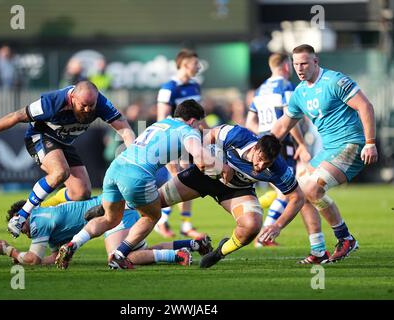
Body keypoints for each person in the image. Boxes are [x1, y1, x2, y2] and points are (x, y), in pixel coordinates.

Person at [55, 99, 232, 269]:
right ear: (193, 120)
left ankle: (73, 244)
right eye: (199, 124)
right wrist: (221, 166)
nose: (200, 128)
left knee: (109, 218)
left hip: (116, 168)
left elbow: (166, 152)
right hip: (137, 175)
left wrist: (175, 173)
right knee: (151, 216)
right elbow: (200, 156)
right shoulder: (188, 130)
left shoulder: (160, 124)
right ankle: (119, 256)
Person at [0, 81, 135, 238]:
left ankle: (41, 210)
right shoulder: (52, 102)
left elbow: (125, 129)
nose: (87, 110)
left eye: (91, 106)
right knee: (59, 172)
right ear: (72, 98)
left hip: (64, 143)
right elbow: (16, 116)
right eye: (83, 106)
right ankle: (21, 216)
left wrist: (134, 155)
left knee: (81, 193)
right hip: (39, 137)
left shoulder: (101, 104)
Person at [271, 44, 378, 263]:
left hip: (351, 144)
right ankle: (318, 250)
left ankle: (345, 238)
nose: (299, 68)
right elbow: (283, 126)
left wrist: (370, 142)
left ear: (315, 61)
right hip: (328, 150)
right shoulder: (300, 92)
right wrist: (258, 147)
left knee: (311, 188)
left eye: (304, 63)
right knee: (300, 193)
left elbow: (365, 107)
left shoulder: (335, 81)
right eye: (296, 64)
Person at [155, 125, 305, 268]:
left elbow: (297, 197)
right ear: (255, 148)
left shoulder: (278, 167)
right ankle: (134, 244)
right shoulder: (238, 135)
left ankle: (220, 252)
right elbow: (212, 133)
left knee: (252, 226)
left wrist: (278, 225)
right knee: (154, 202)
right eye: (259, 160)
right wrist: (214, 162)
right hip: (204, 177)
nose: (260, 167)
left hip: (236, 190)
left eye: (266, 164)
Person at [0, 196, 213, 267]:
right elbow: (50, 257)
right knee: (140, 250)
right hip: (117, 207)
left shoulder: (39, 221)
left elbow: (33, 259)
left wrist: (9, 250)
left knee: (117, 256)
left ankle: (177, 256)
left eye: (21, 227)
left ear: (25, 216)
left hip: (112, 213)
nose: (25, 233)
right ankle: (193, 244)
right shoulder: (44, 220)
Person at [246, 52, 310, 247]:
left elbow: (249, 122)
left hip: (265, 143)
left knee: (283, 191)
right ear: (285, 66)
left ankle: (263, 233)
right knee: (287, 192)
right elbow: (290, 118)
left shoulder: (260, 90)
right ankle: (263, 236)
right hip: (282, 144)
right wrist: (301, 144)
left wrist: (265, 135)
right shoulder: (286, 86)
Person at [155, 48, 205, 239]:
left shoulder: (195, 86)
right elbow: (162, 119)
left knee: (188, 179)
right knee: (181, 179)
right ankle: (164, 220)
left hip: (192, 141)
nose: (198, 66)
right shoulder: (169, 88)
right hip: (174, 141)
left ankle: (183, 224)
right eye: (195, 63)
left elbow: (200, 117)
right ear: (184, 64)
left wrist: (211, 134)